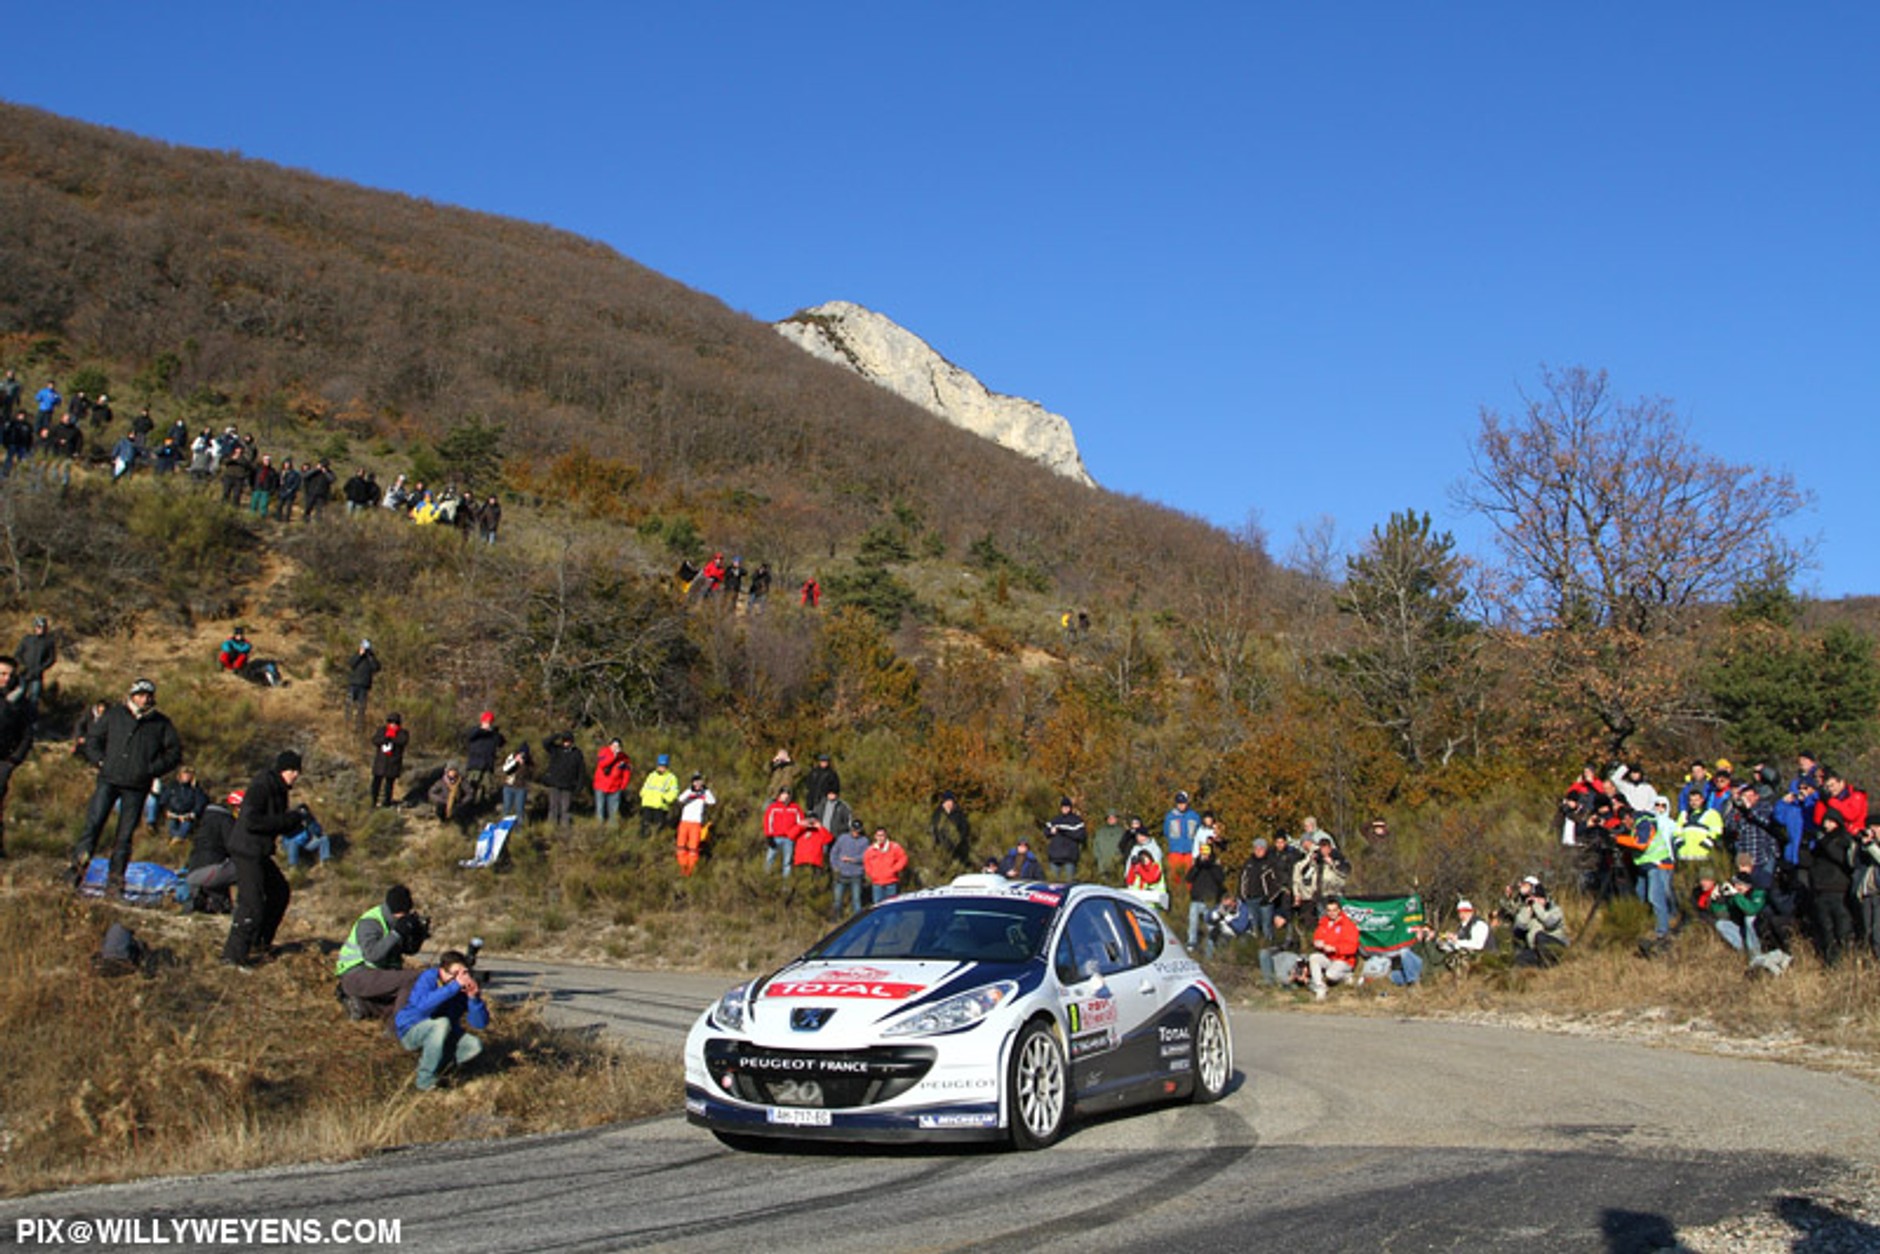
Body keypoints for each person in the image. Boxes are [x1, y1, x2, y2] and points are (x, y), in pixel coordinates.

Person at [70, 678, 184, 895]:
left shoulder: (161, 723)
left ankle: (115, 882)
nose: (144, 699)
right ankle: (76, 872)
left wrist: (151, 769)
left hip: (137, 785)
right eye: (140, 695)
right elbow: (93, 738)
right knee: (92, 827)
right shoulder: (114, 715)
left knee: (124, 836)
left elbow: (174, 753)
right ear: (132, 696)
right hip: (108, 779)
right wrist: (100, 761)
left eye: (148, 695)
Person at [222, 751, 307, 969]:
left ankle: (260, 943)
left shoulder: (279, 790)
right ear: (282, 770)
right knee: (252, 904)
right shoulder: (262, 786)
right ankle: (234, 956)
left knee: (279, 891)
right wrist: (288, 819)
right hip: (247, 850)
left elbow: (276, 823)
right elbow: (252, 821)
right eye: (293, 770)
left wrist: (296, 820)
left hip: (259, 851)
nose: (296, 775)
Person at [394, 950, 490, 1092]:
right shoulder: (429, 978)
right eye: (455, 973)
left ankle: (437, 1066)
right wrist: (453, 986)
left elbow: (479, 1024)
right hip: (412, 1030)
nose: (461, 978)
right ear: (442, 971)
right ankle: (424, 1080)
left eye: (463, 973)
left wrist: (473, 999)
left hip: (443, 1035)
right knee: (442, 1023)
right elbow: (422, 1008)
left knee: (474, 1045)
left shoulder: (461, 991)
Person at [335, 885, 428, 1021]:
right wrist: (397, 933)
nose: (401, 918)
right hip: (356, 974)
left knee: (411, 1000)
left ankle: (362, 1006)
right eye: (399, 914)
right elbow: (372, 955)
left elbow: (409, 950)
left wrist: (417, 934)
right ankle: (399, 1028)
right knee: (414, 979)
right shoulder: (370, 922)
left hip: (379, 976)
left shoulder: (397, 922)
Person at [180, 791, 240, 915]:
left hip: (193, 872)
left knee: (222, 868)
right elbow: (235, 848)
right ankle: (245, 907)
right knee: (247, 867)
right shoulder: (227, 820)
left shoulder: (205, 819)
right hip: (211, 871)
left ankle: (215, 902)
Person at [0, 655, 32, 858]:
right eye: (2, 674)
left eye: (9, 675)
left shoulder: (20, 702)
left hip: (3, 761)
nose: (5, 678)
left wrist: (14, 759)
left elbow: (27, 734)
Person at [1503, 876, 1570, 967]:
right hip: (1537, 950)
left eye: (1539, 899)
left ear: (1545, 899)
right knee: (1519, 958)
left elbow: (1548, 922)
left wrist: (1536, 905)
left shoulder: (1555, 910)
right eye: (1534, 899)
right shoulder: (1529, 911)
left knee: (1540, 936)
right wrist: (1528, 909)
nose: (1536, 902)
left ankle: (1550, 963)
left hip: (1556, 946)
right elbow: (1519, 925)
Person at [1306, 896, 1360, 1000]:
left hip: (1344, 960)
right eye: (1329, 910)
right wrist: (1317, 943)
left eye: (1334, 910)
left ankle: (1347, 975)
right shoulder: (1323, 923)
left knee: (1330, 975)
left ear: (1339, 910)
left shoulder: (1348, 925)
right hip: (1329, 958)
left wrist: (1335, 949)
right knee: (1313, 957)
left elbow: (1352, 948)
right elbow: (1317, 937)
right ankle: (1320, 988)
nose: (1332, 913)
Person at [1237, 837, 1289, 941]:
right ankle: (1255, 949)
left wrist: (1269, 898)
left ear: (1265, 849)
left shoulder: (1270, 863)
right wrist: (1242, 895)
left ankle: (1268, 947)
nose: (1258, 851)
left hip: (1265, 901)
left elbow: (1277, 884)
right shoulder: (1248, 863)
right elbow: (1242, 880)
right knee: (1253, 926)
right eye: (1256, 848)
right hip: (1250, 900)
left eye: (1261, 849)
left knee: (1266, 927)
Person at [1185, 837, 1229, 954]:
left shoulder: (1215, 867)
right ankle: (1191, 944)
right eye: (1203, 853)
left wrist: (1211, 865)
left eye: (1207, 853)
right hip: (1196, 899)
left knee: (1210, 925)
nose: (1205, 856)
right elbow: (1188, 878)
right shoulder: (1197, 867)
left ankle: (1210, 948)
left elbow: (1220, 879)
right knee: (1192, 923)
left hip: (1209, 901)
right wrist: (1198, 865)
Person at [541, 732, 585, 830]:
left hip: (568, 785)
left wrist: (579, 786)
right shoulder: (556, 750)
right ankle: (551, 827)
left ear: (572, 742)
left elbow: (581, 770)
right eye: (564, 741)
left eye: (568, 741)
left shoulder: (577, 753)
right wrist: (556, 736)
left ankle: (564, 829)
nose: (566, 743)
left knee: (565, 808)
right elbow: (545, 743)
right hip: (554, 783)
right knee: (553, 807)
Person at [463, 711, 506, 808]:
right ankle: (467, 808)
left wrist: (494, 732)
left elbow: (501, 742)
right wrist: (482, 729)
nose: (488, 723)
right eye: (486, 721)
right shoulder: (475, 732)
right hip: (475, 765)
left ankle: (481, 808)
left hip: (488, 766)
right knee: (470, 788)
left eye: (490, 722)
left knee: (487, 789)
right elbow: (469, 735)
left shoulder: (493, 735)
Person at [675, 773, 716, 875]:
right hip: (684, 822)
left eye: (699, 781)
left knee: (693, 848)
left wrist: (706, 790)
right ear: (692, 782)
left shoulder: (704, 794)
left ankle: (691, 869)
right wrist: (691, 790)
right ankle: (682, 867)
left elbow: (712, 801)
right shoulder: (688, 792)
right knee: (681, 846)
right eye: (695, 781)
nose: (697, 784)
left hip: (696, 823)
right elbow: (680, 799)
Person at [154, 766, 208, 841]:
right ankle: (175, 839)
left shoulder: (196, 789)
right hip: (173, 814)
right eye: (185, 774)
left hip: (187, 815)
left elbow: (200, 802)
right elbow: (164, 800)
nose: (187, 776)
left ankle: (178, 839)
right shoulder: (172, 786)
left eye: (189, 775)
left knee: (186, 826)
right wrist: (167, 811)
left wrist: (193, 813)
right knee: (171, 826)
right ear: (180, 775)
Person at [15, 615, 55, 717]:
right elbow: (18, 654)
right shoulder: (27, 639)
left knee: (34, 698)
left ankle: (31, 721)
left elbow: (51, 659)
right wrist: (22, 664)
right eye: (38, 626)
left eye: (42, 627)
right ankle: (15, 716)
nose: (40, 629)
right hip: (24, 673)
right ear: (34, 627)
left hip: (37, 675)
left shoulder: (48, 642)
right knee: (19, 694)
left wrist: (41, 668)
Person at [829, 819, 869, 918]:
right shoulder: (843, 838)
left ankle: (858, 919)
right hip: (841, 874)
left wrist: (852, 859)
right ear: (850, 829)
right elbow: (834, 853)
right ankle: (836, 919)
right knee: (837, 900)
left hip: (856, 875)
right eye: (854, 830)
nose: (855, 832)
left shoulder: (864, 841)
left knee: (856, 900)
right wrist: (835, 867)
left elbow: (866, 857)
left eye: (858, 830)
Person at [762, 786, 805, 877]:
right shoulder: (773, 807)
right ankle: (765, 879)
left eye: (788, 794)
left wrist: (796, 835)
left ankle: (786, 886)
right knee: (769, 859)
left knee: (787, 862)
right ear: (780, 795)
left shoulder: (795, 808)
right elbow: (768, 822)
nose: (786, 796)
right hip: (775, 837)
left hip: (789, 839)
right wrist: (769, 836)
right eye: (784, 794)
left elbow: (800, 823)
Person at [1042, 796, 1087, 882]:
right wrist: (1051, 831)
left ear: (1070, 808)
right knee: (1053, 884)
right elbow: (1045, 832)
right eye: (1063, 807)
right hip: (1055, 857)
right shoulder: (1055, 820)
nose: (1065, 809)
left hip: (1070, 857)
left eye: (1067, 807)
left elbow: (1081, 835)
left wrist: (1064, 831)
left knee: (1069, 883)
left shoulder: (1076, 821)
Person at [370, 713, 409, 808]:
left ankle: (386, 803)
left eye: (395, 722)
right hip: (381, 763)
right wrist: (385, 738)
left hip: (393, 763)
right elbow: (375, 740)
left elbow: (403, 741)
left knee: (389, 785)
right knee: (376, 784)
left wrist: (392, 737)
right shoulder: (382, 730)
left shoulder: (403, 733)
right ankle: (372, 802)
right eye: (391, 722)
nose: (393, 724)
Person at [638, 753, 679, 838]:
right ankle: (643, 843)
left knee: (658, 827)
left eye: (664, 766)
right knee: (645, 825)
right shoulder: (652, 775)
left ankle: (656, 842)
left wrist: (665, 799)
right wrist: (643, 794)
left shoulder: (671, 778)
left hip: (660, 806)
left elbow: (674, 792)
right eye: (660, 765)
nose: (662, 768)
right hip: (647, 803)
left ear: (667, 766)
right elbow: (646, 786)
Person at [930, 791, 973, 871]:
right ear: (944, 802)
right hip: (942, 848)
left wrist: (959, 839)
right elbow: (935, 828)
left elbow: (965, 828)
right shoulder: (938, 814)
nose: (949, 804)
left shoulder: (959, 813)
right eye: (947, 801)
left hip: (958, 848)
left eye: (951, 801)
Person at [592, 737, 631, 824]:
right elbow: (602, 764)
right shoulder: (604, 752)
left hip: (615, 787)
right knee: (600, 808)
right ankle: (599, 827)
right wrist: (613, 756)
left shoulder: (625, 758)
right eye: (613, 746)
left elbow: (626, 773)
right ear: (610, 745)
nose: (615, 748)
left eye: (617, 746)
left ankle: (612, 830)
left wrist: (623, 786)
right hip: (600, 786)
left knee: (613, 811)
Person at [863, 826, 908, 903]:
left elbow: (903, 858)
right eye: (878, 836)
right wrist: (872, 874)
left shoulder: (894, 847)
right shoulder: (870, 850)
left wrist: (894, 869)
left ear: (886, 836)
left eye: (882, 835)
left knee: (892, 906)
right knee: (878, 907)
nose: (880, 838)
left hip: (891, 882)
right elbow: (866, 863)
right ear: (875, 836)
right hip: (877, 883)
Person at [1163, 791, 1201, 878]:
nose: (1181, 805)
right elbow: (1166, 832)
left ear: (1187, 802)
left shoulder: (1194, 816)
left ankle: (1189, 891)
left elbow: (1198, 832)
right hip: (1175, 851)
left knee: (1190, 876)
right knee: (1174, 876)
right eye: (1179, 803)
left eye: (1183, 803)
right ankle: (1175, 891)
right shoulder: (1170, 817)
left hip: (1190, 851)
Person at [346, 639, 380, 730]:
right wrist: (359, 654)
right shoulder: (357, 655)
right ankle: (347, 723)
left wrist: (370, 656)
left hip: (364, 686)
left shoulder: (371, 658)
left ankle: (359, 725)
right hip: (353, 684)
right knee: (350, 705)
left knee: (361, 707)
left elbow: (376, 668)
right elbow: (351, 663)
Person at [499, 742, 534, 821]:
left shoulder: (529, 762)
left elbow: (531, 775)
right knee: (506, 808)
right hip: (509, 786)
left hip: (521, 788)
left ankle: (519, 828)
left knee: (519, 810)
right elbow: (505, 769)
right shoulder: (511, 757)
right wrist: (515, 761)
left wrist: (523, 764)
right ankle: (504, 827)